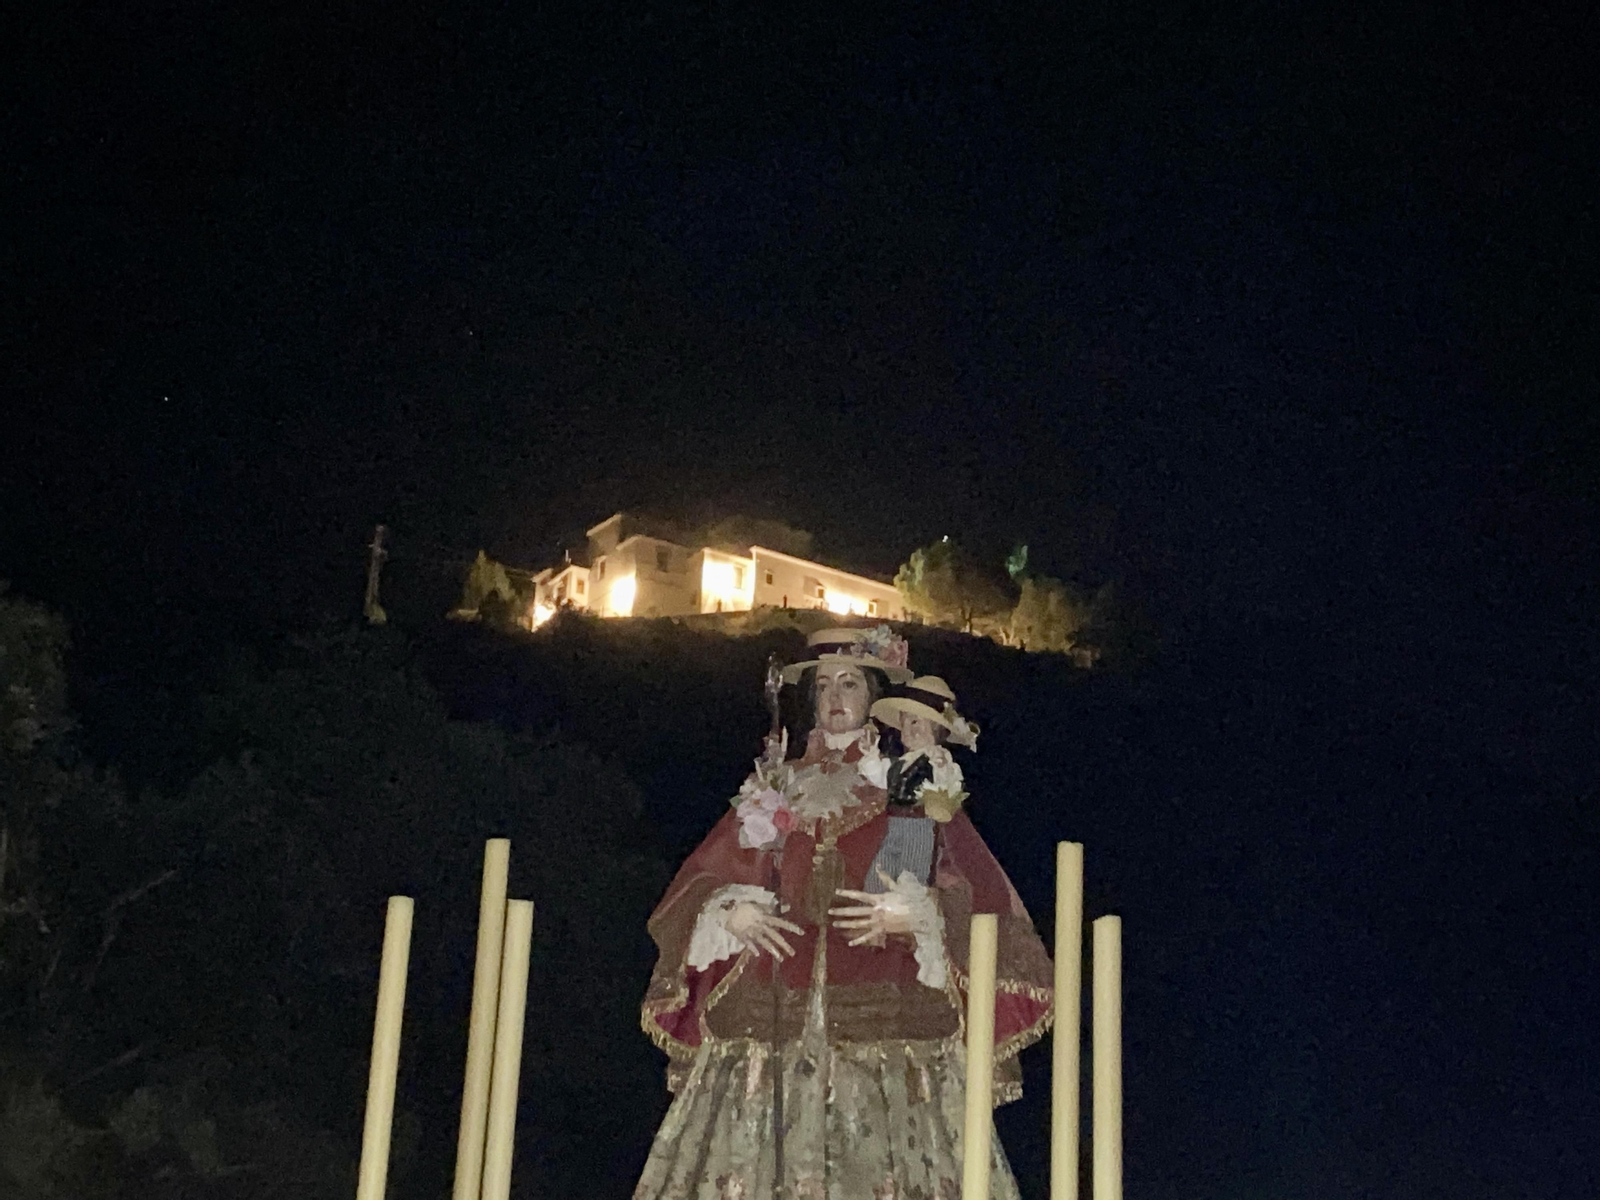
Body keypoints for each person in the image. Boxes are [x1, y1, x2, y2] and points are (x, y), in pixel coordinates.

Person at [635, 627, 1052, 1200]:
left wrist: (921, 917)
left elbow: (974, 887)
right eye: (824, 684)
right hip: (770, 1021)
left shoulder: (912, 782)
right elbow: (706, 873)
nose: (835, 695)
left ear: (874, 695)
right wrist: (727, 912)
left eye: (850, 682)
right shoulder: (772, 783)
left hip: (888, 1016)